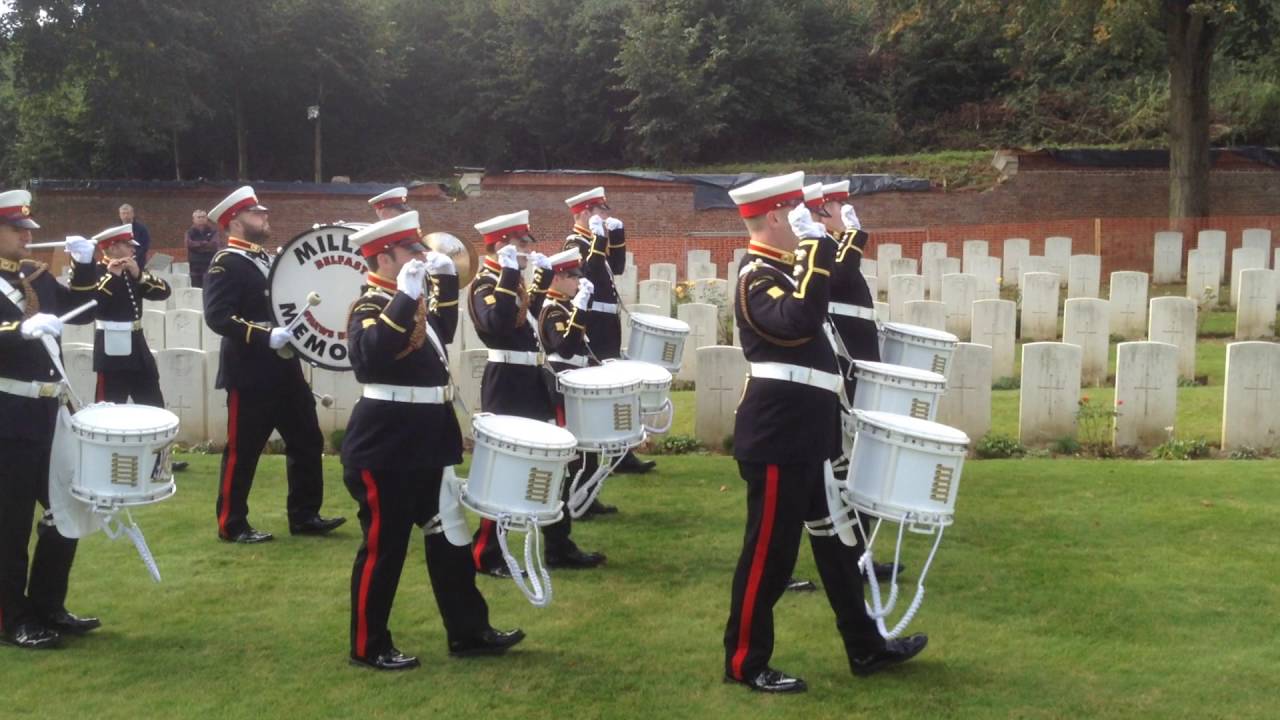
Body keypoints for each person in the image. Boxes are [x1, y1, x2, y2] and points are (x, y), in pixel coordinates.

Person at [722, 172, 926, 694]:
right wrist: (813, 248)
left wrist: (821, 245)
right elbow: (799, 320)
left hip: (811, 430)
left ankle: (865, 646)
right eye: (797, 212)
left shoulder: (790, 266)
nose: (809, 221)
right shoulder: (756, 276)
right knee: (769, 554)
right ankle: (744, 661)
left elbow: (831, 277)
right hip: (777, 435)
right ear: (774, 217)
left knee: (838, 545)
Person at [342, 210, 524, 670]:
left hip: (426, 441)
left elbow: (438, 337)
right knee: (384, 549)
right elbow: (372, 356)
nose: (422, 258)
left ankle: (468, 631)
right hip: (386, 445)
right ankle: (368, 644)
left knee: (450, 542)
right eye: (412, 252)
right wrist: (403, 297)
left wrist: (440, 286)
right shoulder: (367, 306)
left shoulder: (412, 302)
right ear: (385, 257)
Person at [203, 186, 345, 544]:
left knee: (307, 441)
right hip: (250, 372)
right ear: (234, 221)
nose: (265, 216)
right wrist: (265, 336)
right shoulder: (226, 263)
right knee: (244, 450)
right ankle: (231, 524)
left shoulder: (267, 259)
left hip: (285, 369)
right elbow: (218, 317)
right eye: (256, 213)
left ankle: (305, 514)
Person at [0, 189, 100, 649]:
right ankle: (11, 618)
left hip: (48, 413)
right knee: (11, 523)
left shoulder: (30, 275)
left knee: (68, 509)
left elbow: (83, 310)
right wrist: (18, 329)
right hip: (8, 416)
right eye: (17, 229)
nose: (26, 236)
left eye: (27, 229)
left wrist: (84, 266)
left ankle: (46, 606)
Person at [816, 181, 899, 582]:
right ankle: (853, 557)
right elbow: (840, 276)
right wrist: (853, 235)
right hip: (844, 372)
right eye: (834, 205)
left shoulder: (832, 245)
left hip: (857, 366)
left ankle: (859, 556)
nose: (843, 210)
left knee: (857, 463)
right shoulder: (822, 248)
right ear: (818, 212)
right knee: (847, 464)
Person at [562, 187, 654, 481]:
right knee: (602, 386)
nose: (606, 215)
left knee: (616, 383)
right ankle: (603, 453)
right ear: (585, 213)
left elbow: (617, 267)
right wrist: (599, 240)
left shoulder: (593, 240)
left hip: (607, 318)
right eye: (601, 211)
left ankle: (621, 452)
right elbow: (586, 272)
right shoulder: (575, 242)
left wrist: (618, 237)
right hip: (592, 320)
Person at [534, 249, 609, 568]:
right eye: (575, 276)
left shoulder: (564, 306)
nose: (580, 281)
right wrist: (579, 310)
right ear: (559, 278)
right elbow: (563, 348)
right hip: (561, 389)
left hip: (574, 384)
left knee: (582, 458)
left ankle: (572, 520)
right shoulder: (553, 310)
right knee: (567, 464)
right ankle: (558, 546)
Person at [71, 224, 171, 406]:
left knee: (153, 404)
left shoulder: (132, 269)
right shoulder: (94, 271)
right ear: (113, 247)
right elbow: (94, 305)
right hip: (111, 350)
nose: (133, 249)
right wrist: (112, 276)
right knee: (109, 407)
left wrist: (140, 275)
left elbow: (164, 292)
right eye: (128, 245)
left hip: (138, 347)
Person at [184, 209, 220, 288]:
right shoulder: (189, 232)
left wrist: (198, 246)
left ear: (206, 218)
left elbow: (214, 245)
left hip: (209, 264)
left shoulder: (213, 231)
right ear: (193, 219)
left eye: (203, 217)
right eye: (199, 217)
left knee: (210, 287)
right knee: (196, 289)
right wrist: (204, 244)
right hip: (195, 266)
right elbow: (189, 244)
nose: (201, 219)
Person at [117, 204, 150, 269]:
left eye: (128, 213)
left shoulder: (141, 229)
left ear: (133, 214)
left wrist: (134, 257)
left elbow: (145, 246)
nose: (126, 216)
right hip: (121, 263)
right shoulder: (117, 230)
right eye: (123, 213)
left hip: (138, 263)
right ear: (120, 215)